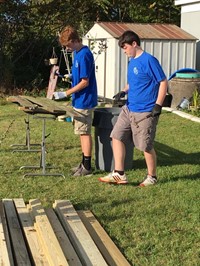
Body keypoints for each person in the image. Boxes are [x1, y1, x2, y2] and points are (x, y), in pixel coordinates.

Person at [99, 30, 168, 187]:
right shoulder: (132, 62)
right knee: (116, 136)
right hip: (129, 108)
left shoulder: (149, 60)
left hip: (145, 111)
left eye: (125, 47)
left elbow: (163, 82)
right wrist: (124, 91)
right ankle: (119, 174)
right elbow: (135, 82)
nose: (124, 51)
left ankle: (152, 177)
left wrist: (158, 104)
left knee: (145, 146)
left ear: (134, 44)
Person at [54, 26, 98, 176]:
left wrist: (65, 93)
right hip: (78, 100)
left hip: (84, 100)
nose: (66, 48)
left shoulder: (84, 54)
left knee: (84, 133)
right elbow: (79, 77)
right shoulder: (77, 54)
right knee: (81, 132)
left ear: (74, 40)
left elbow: (85, 82)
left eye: (67, 45)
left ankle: (87, 167)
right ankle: (83, 163)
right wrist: (68, 77)